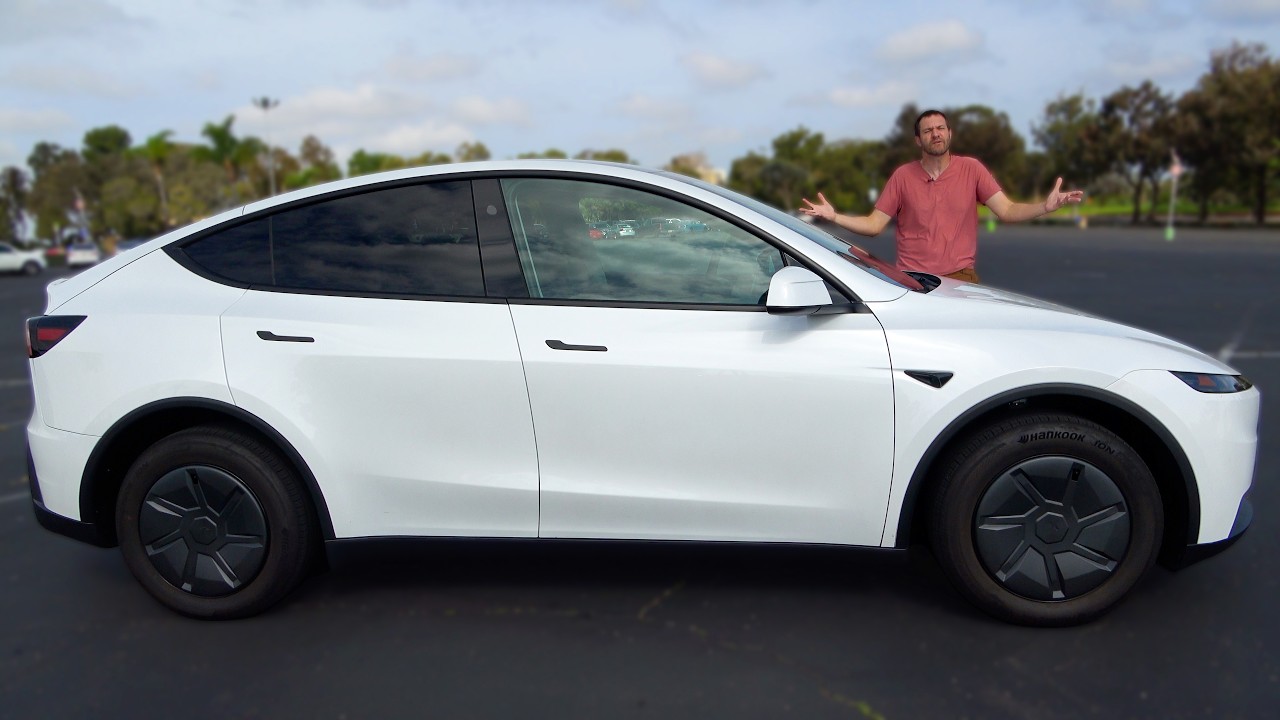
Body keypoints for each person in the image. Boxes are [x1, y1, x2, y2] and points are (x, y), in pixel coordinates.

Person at [800, 109, 1084, 283]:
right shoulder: (902, 176)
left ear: (950, 133)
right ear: (918, 140)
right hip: (912, 280)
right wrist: (834, 216)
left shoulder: (971, 169)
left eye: (940, 129)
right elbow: (874, 226)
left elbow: (1007, 210)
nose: (935, 134)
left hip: (960, 278)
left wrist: (1045, 207)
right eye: (927, 131)